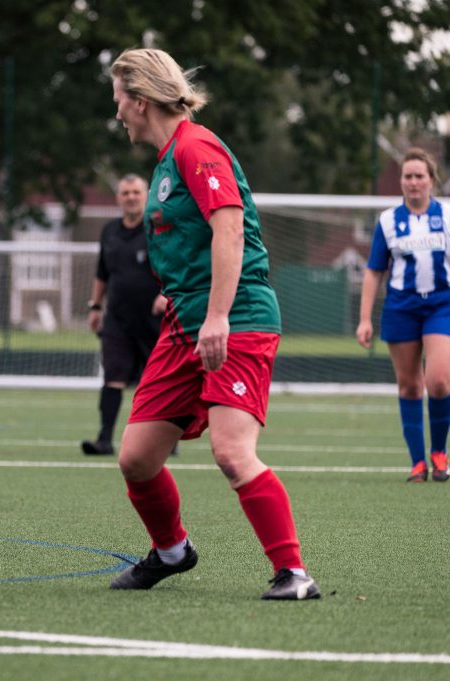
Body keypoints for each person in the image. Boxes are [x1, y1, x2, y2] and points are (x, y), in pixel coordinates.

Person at [106, 48, 320, 600]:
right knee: (136, 457)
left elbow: (228, 230)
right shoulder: (167, 159)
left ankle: (294, 574)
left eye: (119, 101)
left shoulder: (196, 147)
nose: (118, 113)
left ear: (143, 99)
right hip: (187, 323)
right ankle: (173, 551)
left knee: (231, 451)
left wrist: (218, 316)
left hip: (239, 316)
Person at [357, 148, 450, 483]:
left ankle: (439, 454)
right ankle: (417, 463)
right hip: (401, 308)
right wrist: (365, 318)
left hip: (441, 304)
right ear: (401, 181)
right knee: (410, 386)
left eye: (419, 176)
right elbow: (373, 271)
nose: (413, 182)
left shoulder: (447, 216)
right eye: (407, 176)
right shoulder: (387, 220)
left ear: (431, 180)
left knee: (438, 381)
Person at [81, 174, 171, 456]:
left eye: (136, 192)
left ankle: (169, 441)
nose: (131, 197)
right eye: (125, 193)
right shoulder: (109, 231)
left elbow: (176, 265)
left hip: (154, 320)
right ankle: (104, 439)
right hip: (118, 319)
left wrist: (167, 294)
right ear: (118, 198)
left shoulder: (158, 229)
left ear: (146, 195)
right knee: (113, 378)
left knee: (162, 382)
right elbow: (101, 272)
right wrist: (95, 307)